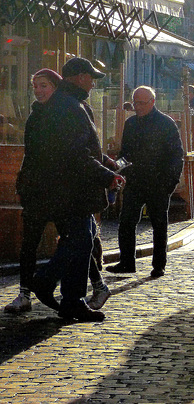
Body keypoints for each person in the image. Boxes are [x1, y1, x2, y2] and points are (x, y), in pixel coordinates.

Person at [29, 58, 124, 322]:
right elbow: (75, 154)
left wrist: (104, 161)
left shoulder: (69, 104)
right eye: (90, 78)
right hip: (70, 189)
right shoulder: (68, 107)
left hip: (67, 187)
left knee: (80, 241)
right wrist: (107, 176)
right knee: (80, 241)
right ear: (79, 77)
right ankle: (54, 287)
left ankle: (69, 297)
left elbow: (80, 150)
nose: (93, 83)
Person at [106, 86, 184, 278]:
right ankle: (127, 262)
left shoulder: (166, 124)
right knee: (126, 222)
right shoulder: (130, 123)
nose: (137, 107)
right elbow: (126, 154)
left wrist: (170, 182)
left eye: (141, 103)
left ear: (152, 102)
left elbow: (177, 155)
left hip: (159, 183)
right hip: (135, 181)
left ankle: (159, 265)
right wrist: (117, 167)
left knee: (159, 225)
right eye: (135, 103)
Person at [6, 69, 63, 313]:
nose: (39, 91)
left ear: (55, 87)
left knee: (72, 240)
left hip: (60, 189)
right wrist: (22, 184)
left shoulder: (65, 114)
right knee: (29, 243)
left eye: (44, 86)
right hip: (36, 190)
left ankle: (94, 284)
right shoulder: (34, 117)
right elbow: (30, 155)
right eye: (36, 86)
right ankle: (24, 294)